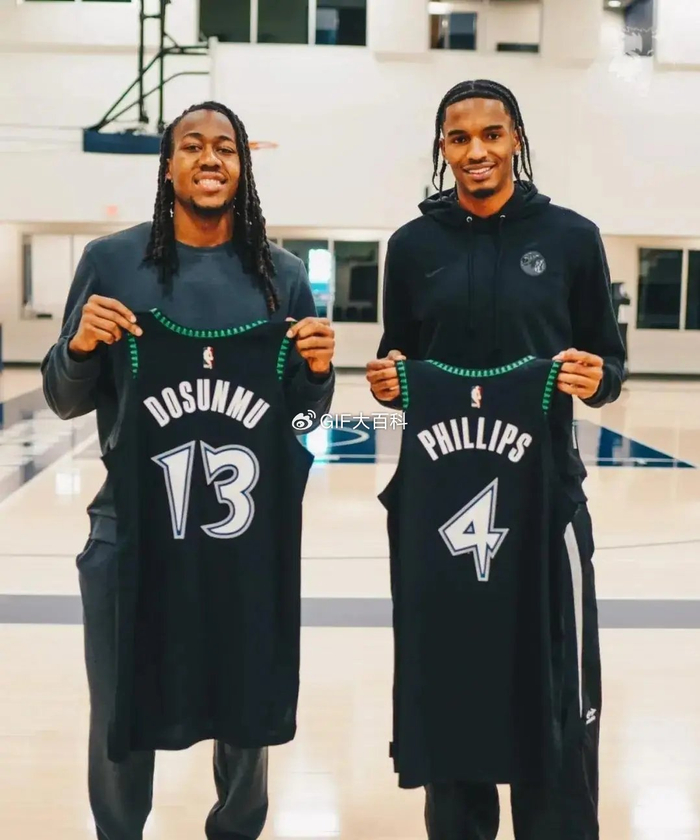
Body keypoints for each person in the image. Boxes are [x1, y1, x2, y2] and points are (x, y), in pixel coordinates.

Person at [41, 101, 335, 840]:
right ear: (167, 165)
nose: (210, 159)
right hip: (130, 527)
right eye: (193, 146)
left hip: (243, 535)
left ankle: (236, 829)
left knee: (246, 704)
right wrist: (78, 348)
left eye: (225, 148)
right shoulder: (112, 263)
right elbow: (64, 398)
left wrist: (318, 375)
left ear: (244, 165)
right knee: (120, 707)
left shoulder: (282, 275)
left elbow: (301, 422)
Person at [366, 79, 625, 840]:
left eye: (491, 134)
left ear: (516, 139)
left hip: (546, 499)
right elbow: (399, 358)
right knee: (454, 690)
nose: (476, 151)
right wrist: (388, 383)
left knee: (557, 691)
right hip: (442, 504)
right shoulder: (412, 248)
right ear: (441, 147)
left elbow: (609, 364)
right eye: (459, 137)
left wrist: (596, 379)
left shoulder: (572, 237)